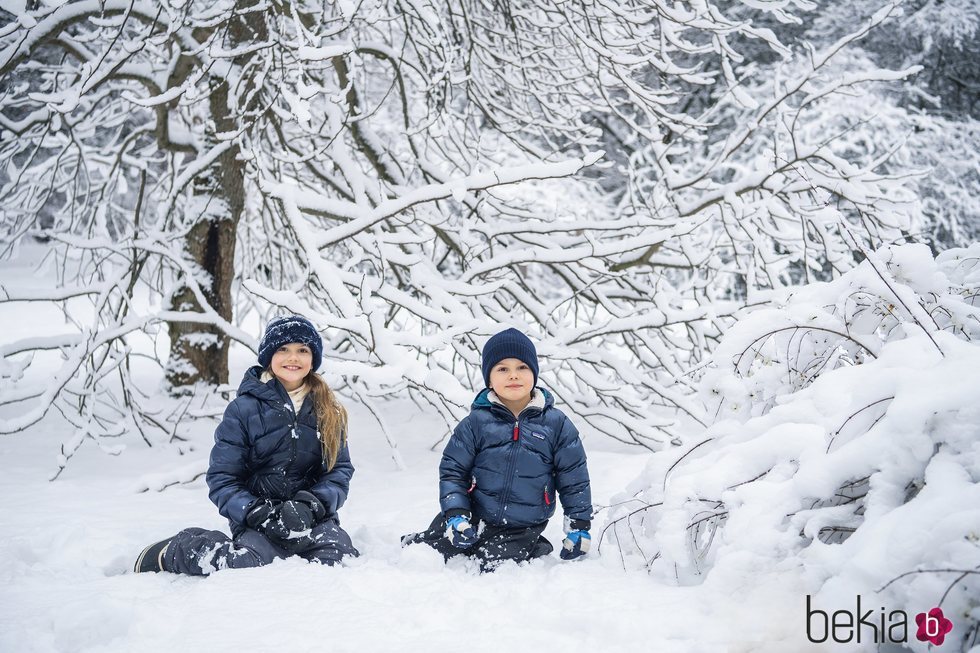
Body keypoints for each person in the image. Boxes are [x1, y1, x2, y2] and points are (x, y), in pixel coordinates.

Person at [134, 315, 359, 574]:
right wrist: (258, 513)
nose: (293, 358)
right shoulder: (243, 409)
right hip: (258, 520)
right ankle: (178, 550)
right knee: (246, 566)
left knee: (338, 562)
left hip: (313, 519)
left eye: (302, 350)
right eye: (283, 349)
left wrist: (311, 505)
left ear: (313, 359)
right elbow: (222, 478)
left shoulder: (329, 411)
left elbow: (339, 471)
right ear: (268, 356)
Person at [403, 328, 593, 570]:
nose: (513, 375)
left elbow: (574, 479)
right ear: (489, 379)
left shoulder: (556, 424)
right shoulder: (476, 423)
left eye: (522, 367)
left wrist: (578, 526)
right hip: (473, 514)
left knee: (493, 563)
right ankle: (445, 533)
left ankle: (534, 546)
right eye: (503, 369)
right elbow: (453, 471)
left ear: (534, 373)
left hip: (521, 524)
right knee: (428, 551)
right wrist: (456, 514)